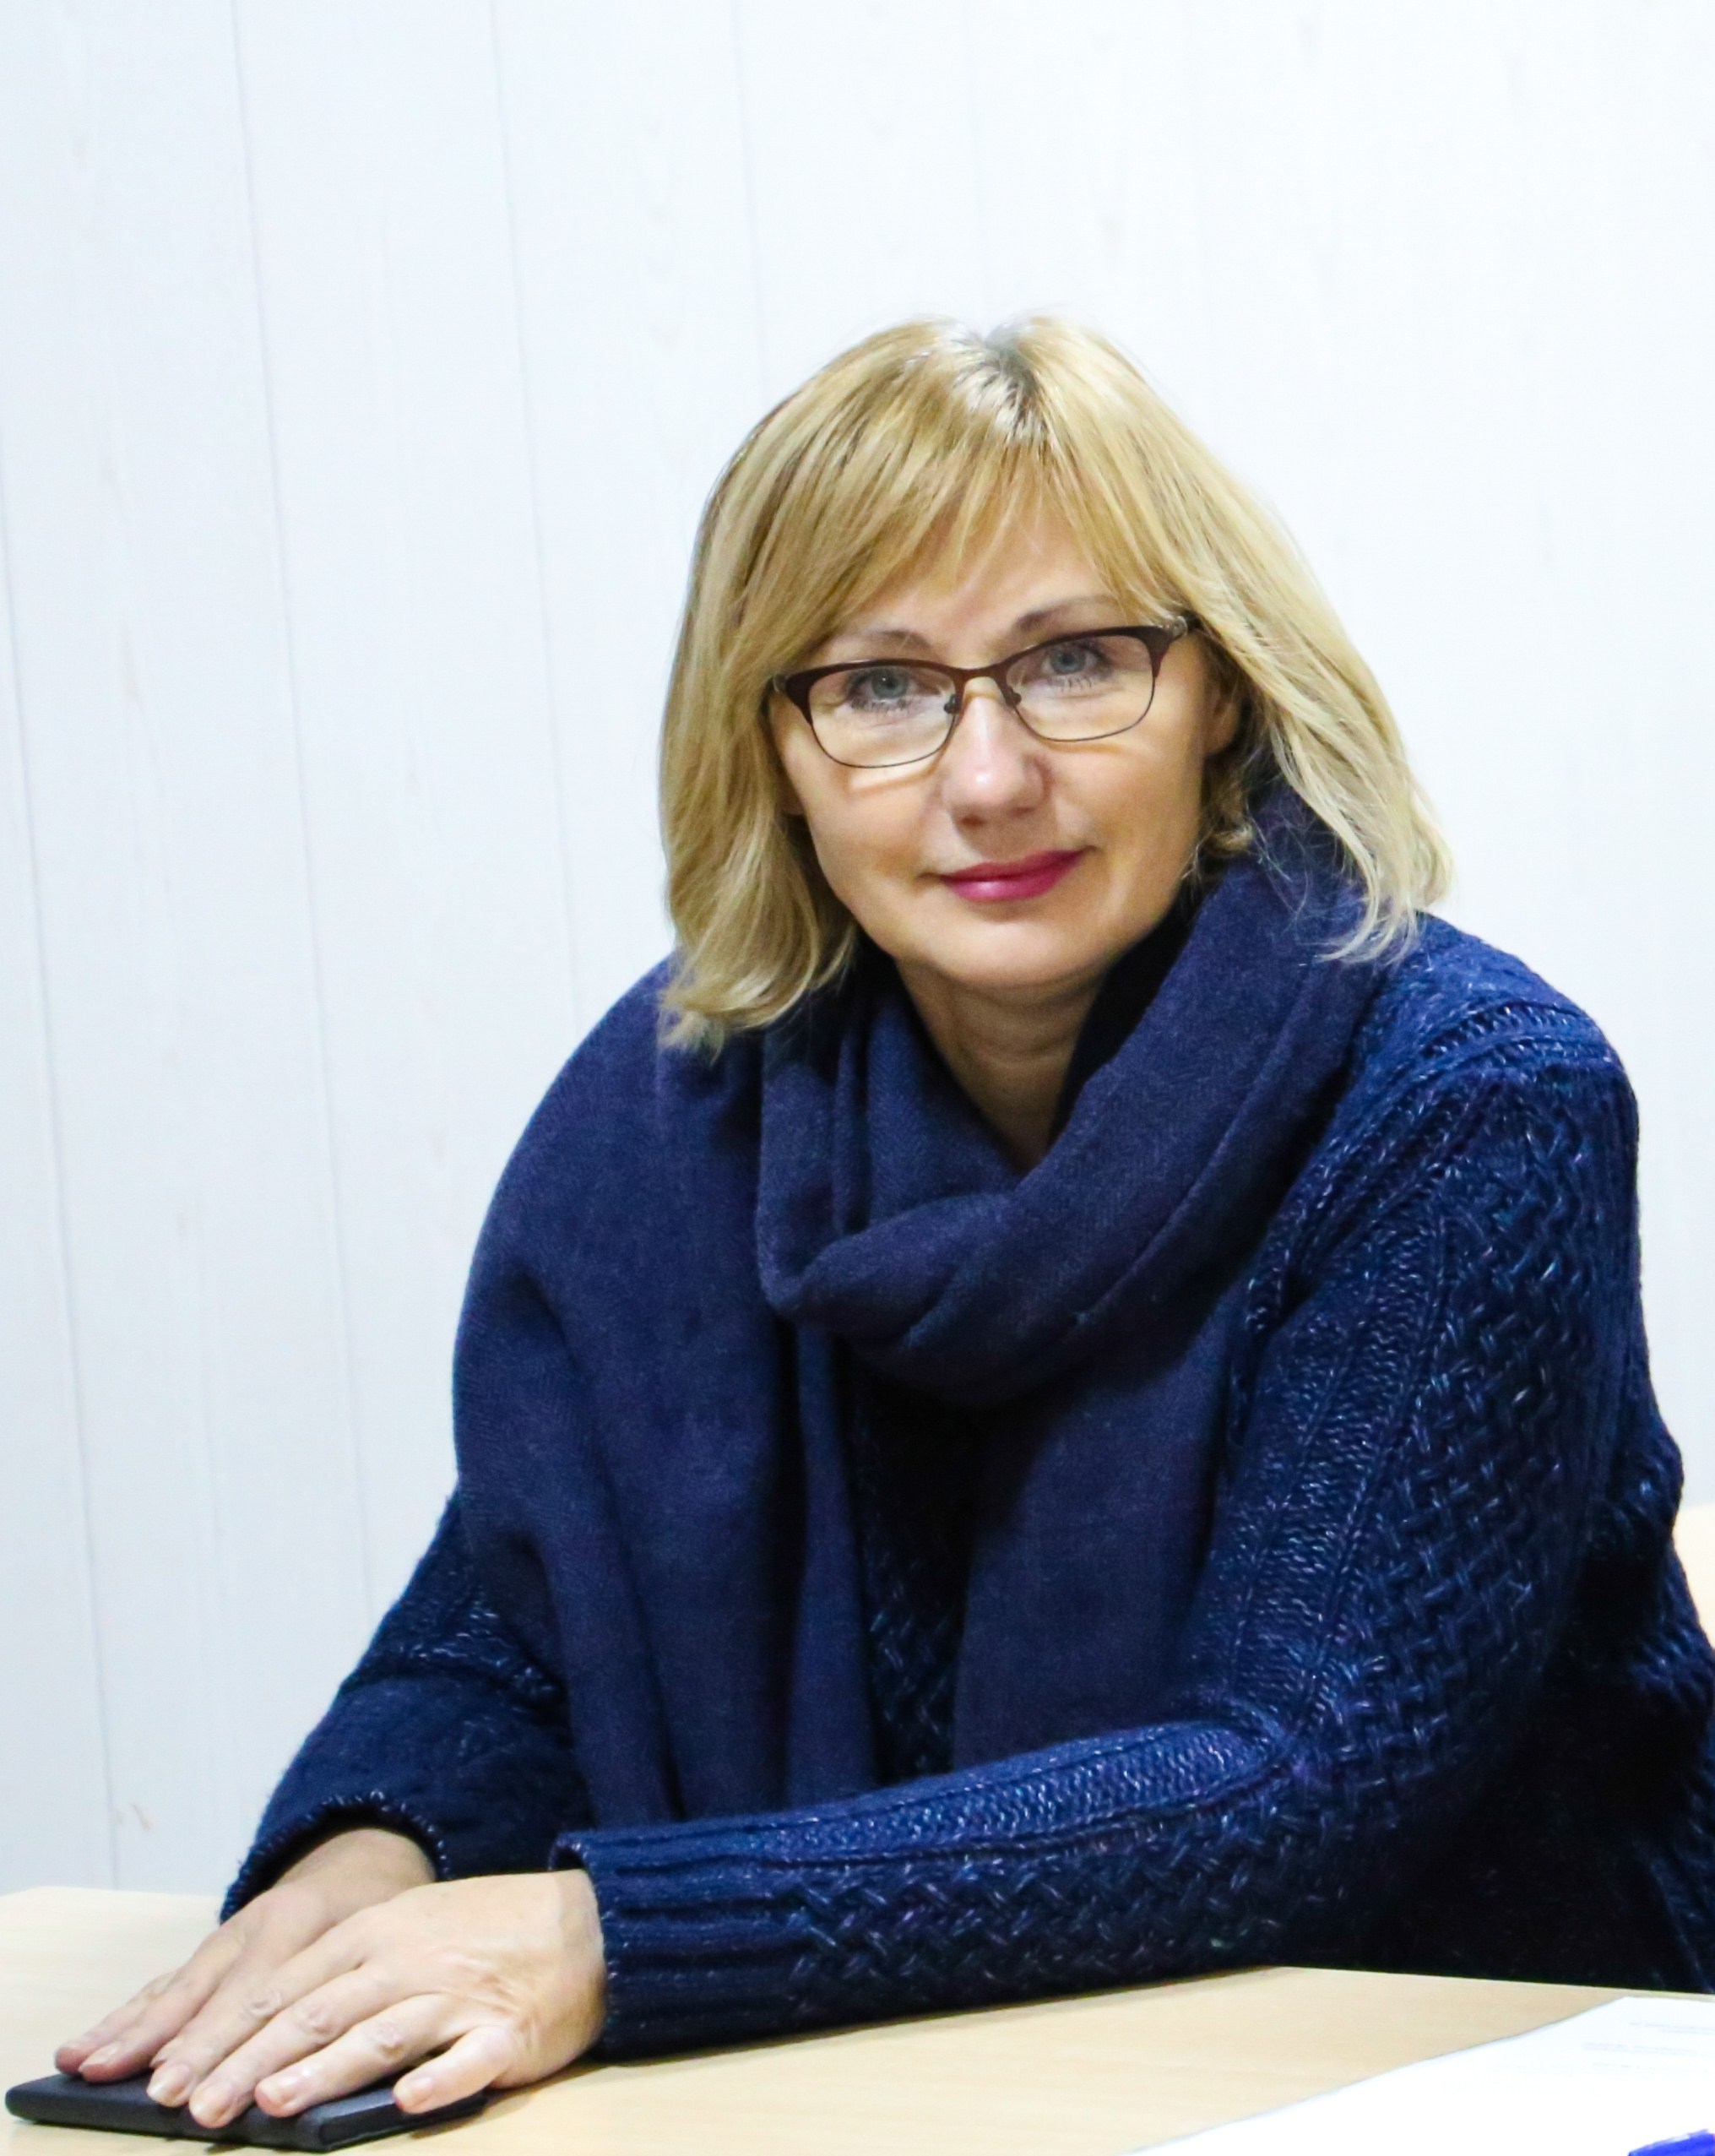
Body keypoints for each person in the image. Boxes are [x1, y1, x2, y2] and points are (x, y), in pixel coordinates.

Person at [57, 317, 1715, 2126]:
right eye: (880, 686)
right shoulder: (685, 1104)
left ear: (1223, 693)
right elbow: (518, 1628)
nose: (986, 777)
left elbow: (1292, 1779)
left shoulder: (1463, 1101)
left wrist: (616, 1934)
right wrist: (373, 1856)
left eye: (1076, 662)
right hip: (887, 2081)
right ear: (772, 742)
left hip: (1464, 2067)